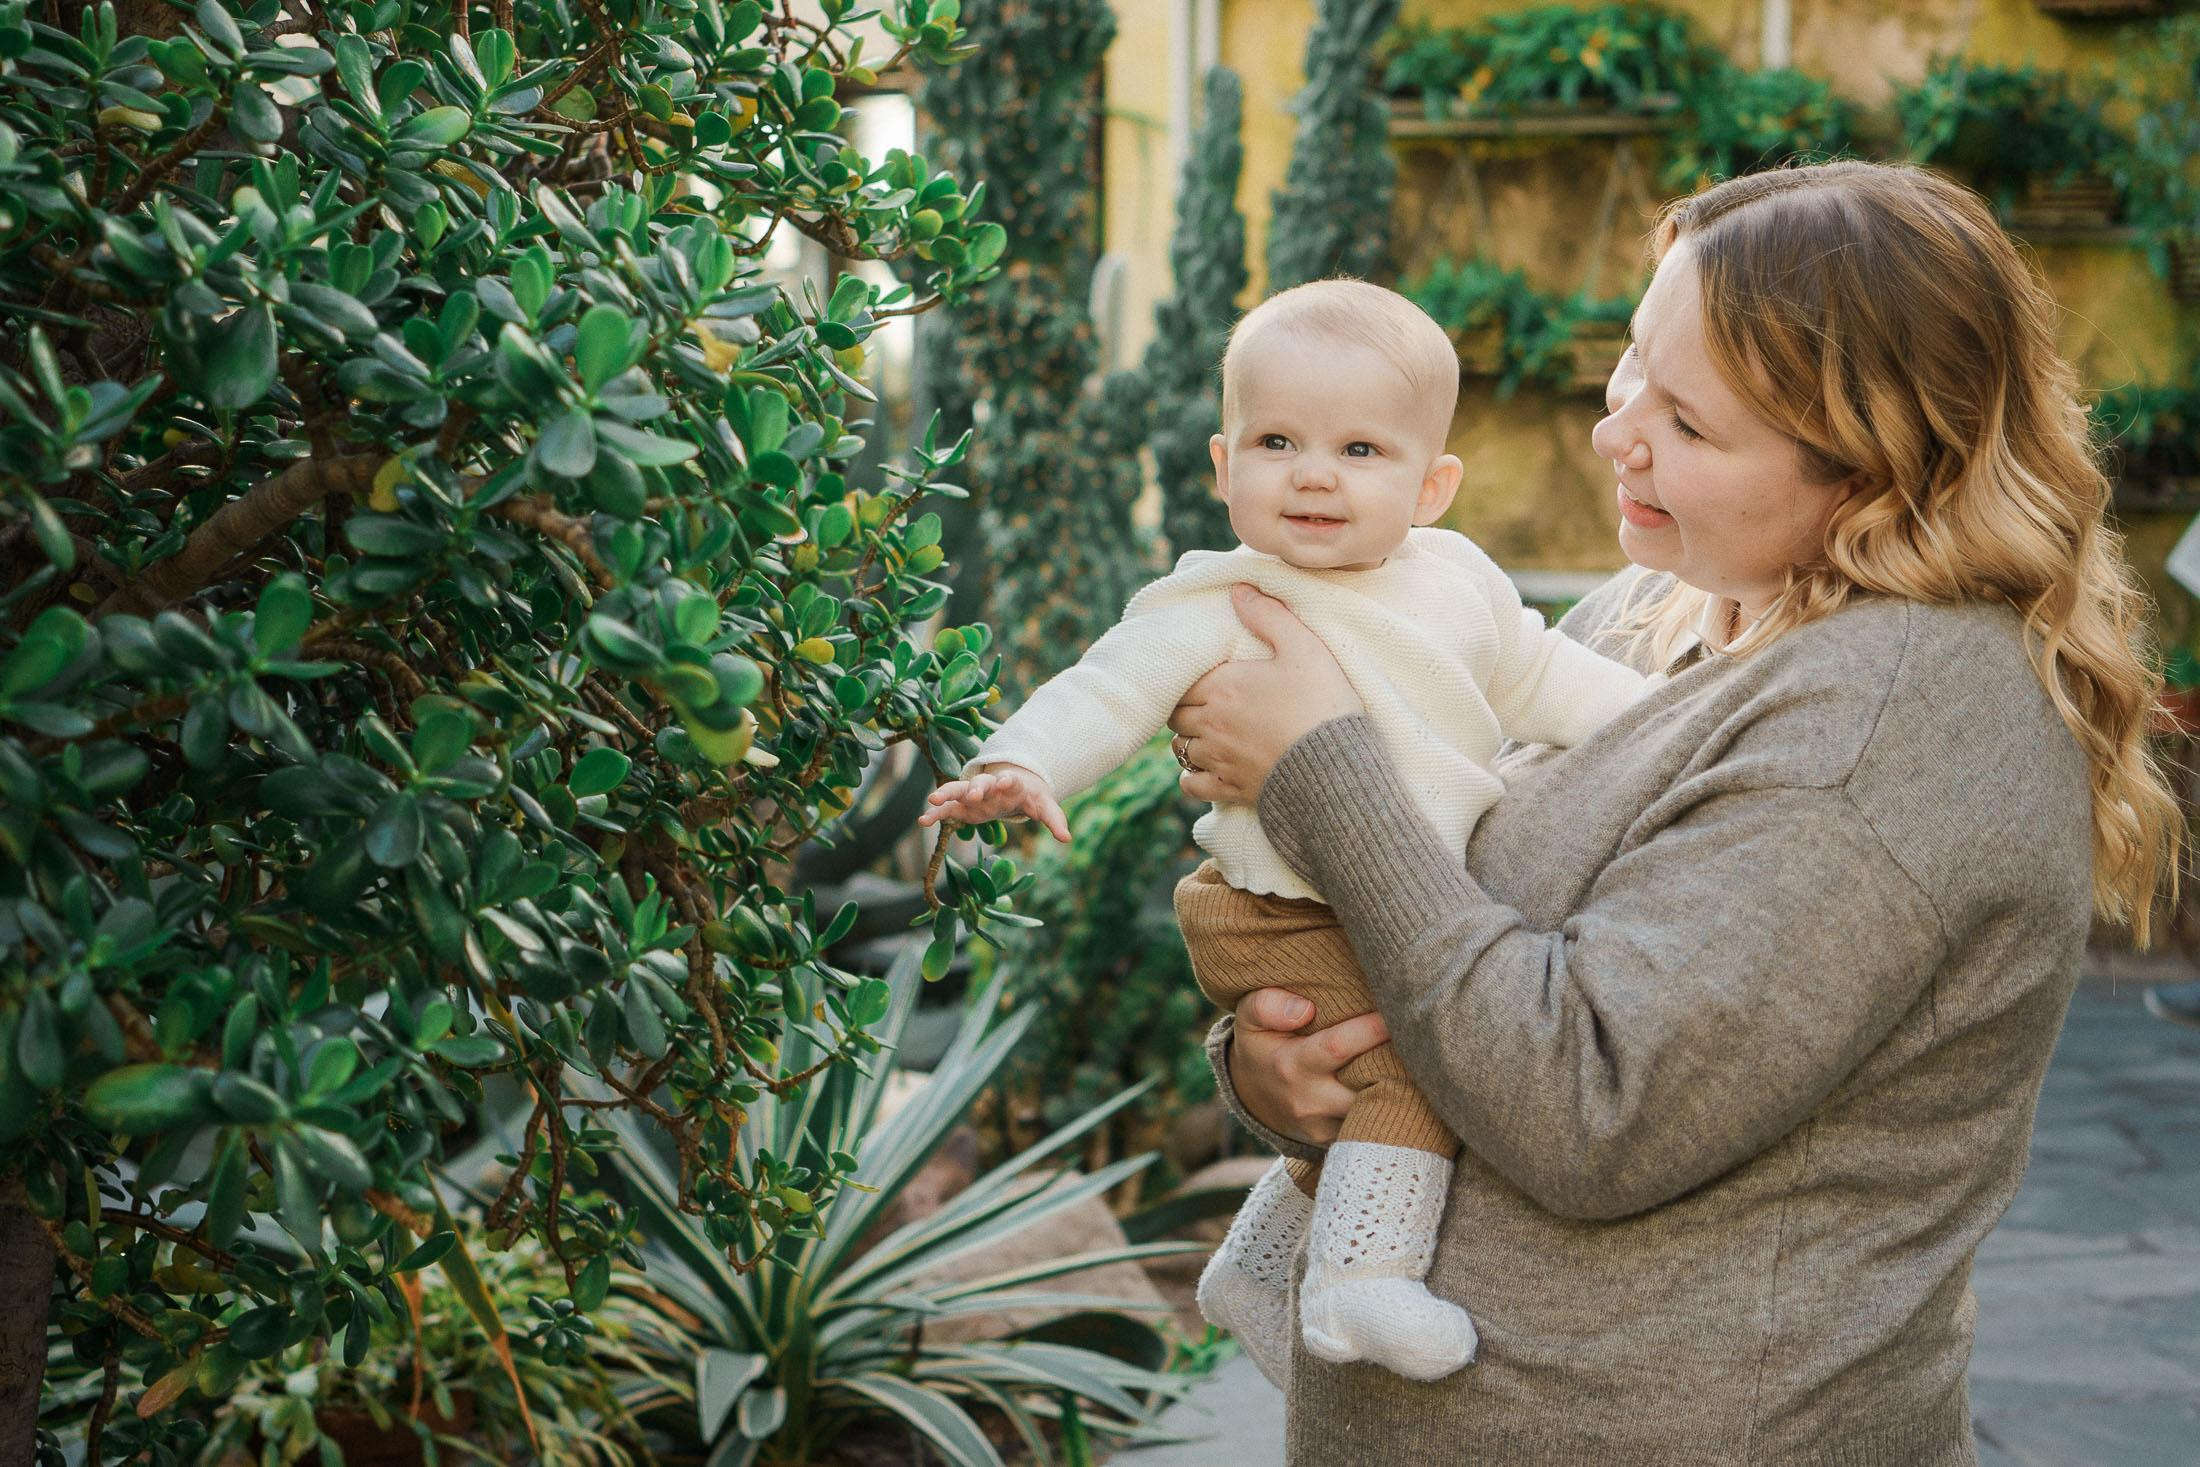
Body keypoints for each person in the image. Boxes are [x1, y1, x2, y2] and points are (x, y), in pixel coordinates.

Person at [1165, 160, 2181, 1465]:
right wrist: (1278, 1070)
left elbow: (1592, 1107)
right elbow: (1427, 928)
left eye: (1691, 425)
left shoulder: (1885, 734)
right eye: (1633, 364)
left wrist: (1321, 763)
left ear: (1872, 468)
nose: (1615, 433)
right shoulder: (1666, 610)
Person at [919, 279, 1650, 1383]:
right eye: (1276, 441)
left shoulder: (1458, 581)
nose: (1313, 472)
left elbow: (1552, 681)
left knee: (1366, 1080)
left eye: (1361, 449)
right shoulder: (1220, 599)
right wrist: (1020, 762)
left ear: (1433, 483)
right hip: (1275, 909)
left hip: (1387, 901)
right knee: (1419, 1067)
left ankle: (1262, 1263)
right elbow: (1106, 692)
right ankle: (1360, 1283)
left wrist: (1679, 724)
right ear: (1223, 468)